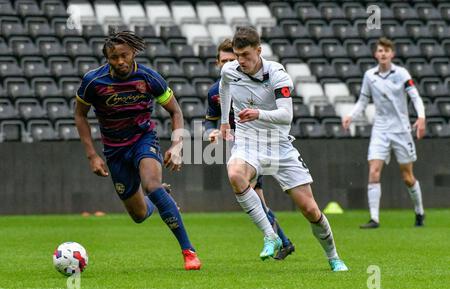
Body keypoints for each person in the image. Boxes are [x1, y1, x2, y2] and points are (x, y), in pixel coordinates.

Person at [219, 27, 347, 271]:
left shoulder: (277, 74)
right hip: (248, 142)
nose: (241, 61)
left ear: (259, 51)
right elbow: (224, 88)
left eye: (246, 55)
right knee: (235, 174)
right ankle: (270, 235)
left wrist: (258, 113)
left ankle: (333, 256)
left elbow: (286, 116)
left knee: (310, 209)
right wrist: (225, 121)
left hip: (279, 145)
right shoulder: (230, 70)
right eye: (237, 55)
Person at [74, 30, 201, 270]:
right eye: (114, 57)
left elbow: (175, 111)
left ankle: (189, 251)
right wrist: (92, 155)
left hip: (144, 140)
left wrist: (177, 145)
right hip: (114, 151)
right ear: (107, 58)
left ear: (133, 53)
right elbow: (80, 115)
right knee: (139, 215)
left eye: (124, 55)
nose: (120, 61)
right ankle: (161, 197)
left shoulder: (149, 78)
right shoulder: (93, 81)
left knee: (151, 184)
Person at [205, 39, 295, 260]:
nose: (229, 63)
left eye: (232, 59)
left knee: (254, 196)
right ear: (218, 63)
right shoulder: (215, 91)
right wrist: (212, 131)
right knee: (258, 199)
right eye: (223, 60)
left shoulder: (254, 80)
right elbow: (210, 119)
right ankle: (283, 241)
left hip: (259, 143)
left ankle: (279, 240)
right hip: (241, 148)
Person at [342, 37, 426, 229]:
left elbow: (415, 97)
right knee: (374, 170)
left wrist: (421, 116)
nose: (383, 54)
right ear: (375, 54)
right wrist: (351, 116)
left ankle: (420, 212)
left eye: (386, 51)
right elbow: (363, 101)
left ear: (392, 54)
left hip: (401, 130)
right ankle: (374, 218)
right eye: (380, 51)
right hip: (380, 129)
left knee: (407, 177)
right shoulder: (370, 76)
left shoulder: (402, 74)